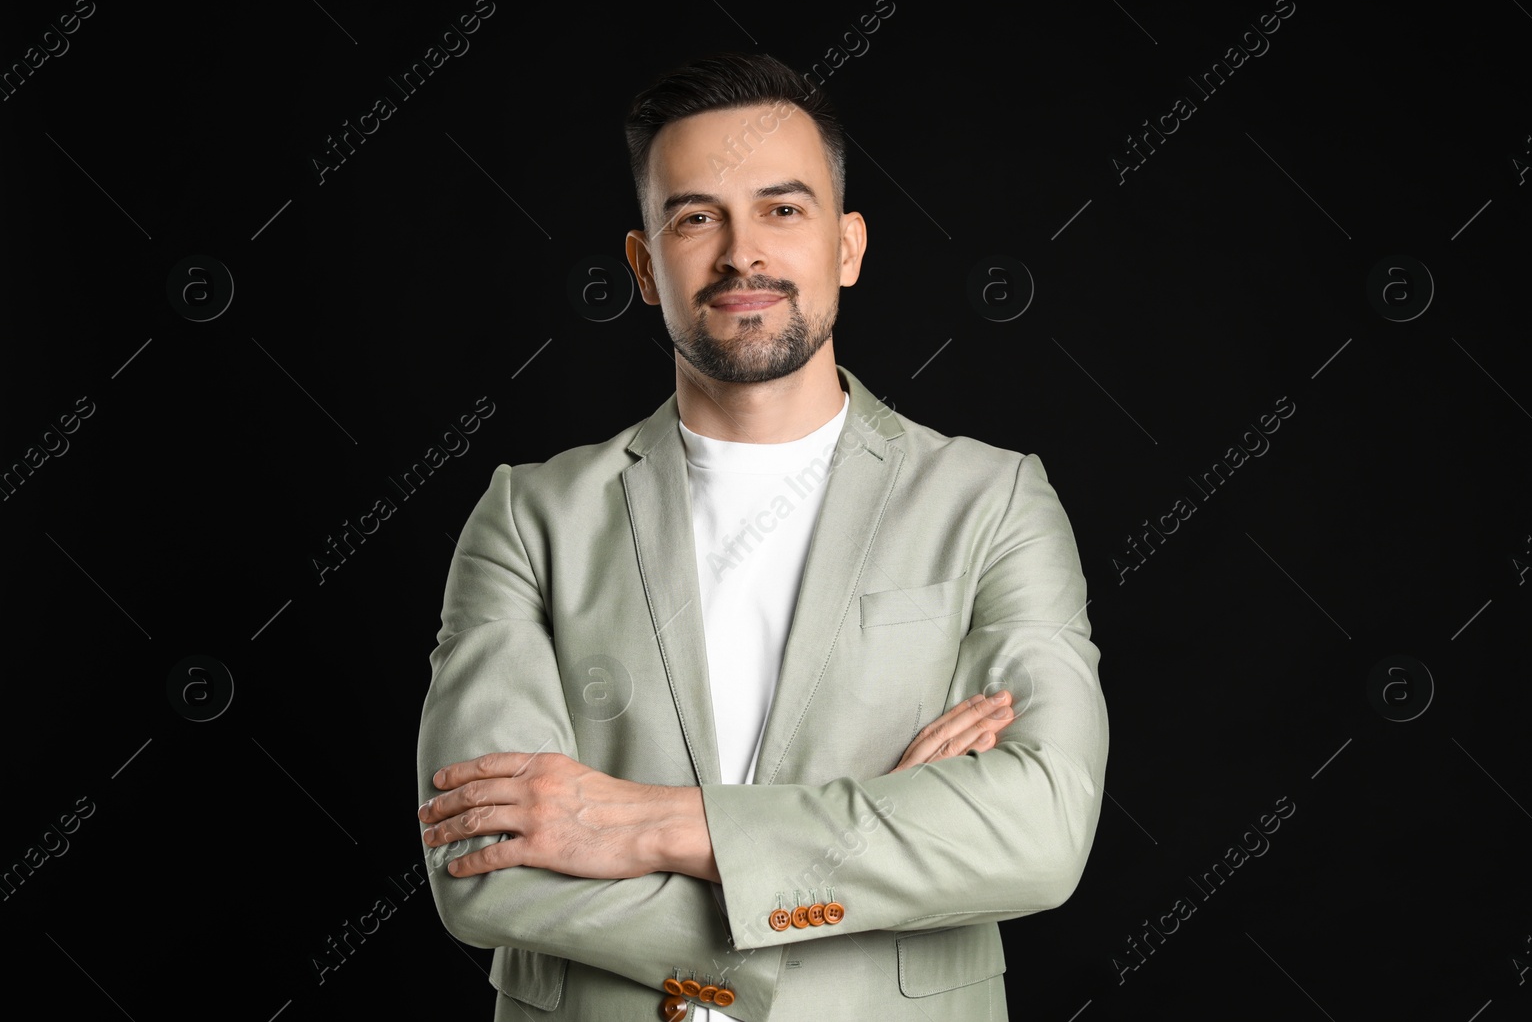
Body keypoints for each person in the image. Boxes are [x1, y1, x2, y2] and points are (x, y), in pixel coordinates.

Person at [415, 52, 1109, 1021]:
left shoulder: (992, 501)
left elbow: (1037, 828)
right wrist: (875, 840)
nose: (742, 252)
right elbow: (481, 866)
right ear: (644, 266)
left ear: (848, 246)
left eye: (783, 208)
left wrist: (648, 823)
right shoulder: (529, 516)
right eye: (695, 215)